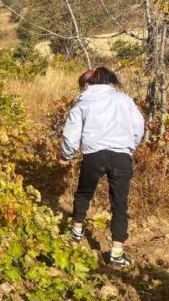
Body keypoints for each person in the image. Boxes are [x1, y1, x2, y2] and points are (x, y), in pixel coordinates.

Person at [58, 67, 144, 268]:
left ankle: (76, 232)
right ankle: (116, 255)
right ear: (109, 81)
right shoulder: (125, 100)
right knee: (119, 205)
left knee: (83, 194)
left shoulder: (82, 103)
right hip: (121, 156)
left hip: (94, 155)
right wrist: (127, 147)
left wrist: (67, 155)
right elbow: (138, 128)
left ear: (88, 84)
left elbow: (71, 135)